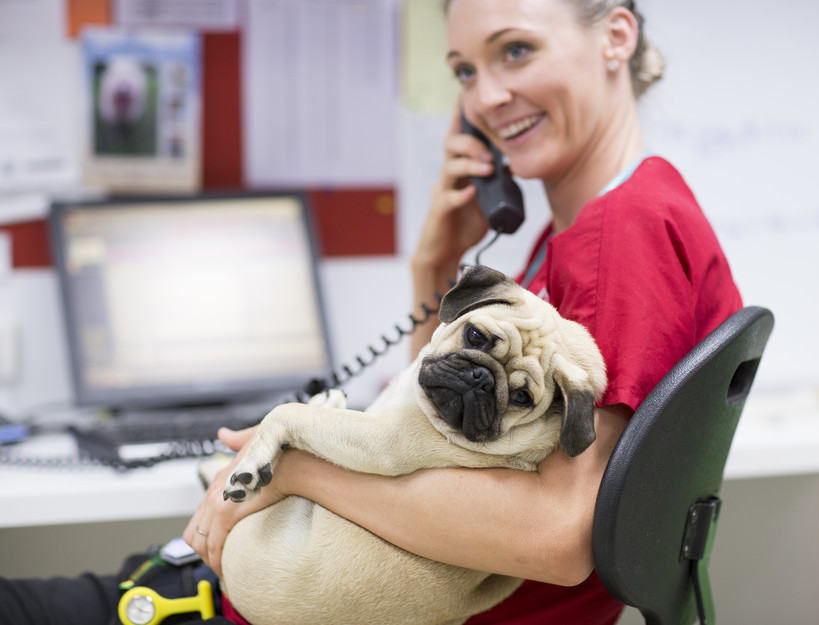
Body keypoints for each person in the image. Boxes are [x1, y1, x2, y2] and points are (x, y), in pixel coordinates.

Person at [0, 1, 741, 624]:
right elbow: (435, 431)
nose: (484, 99)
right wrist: (432, 269)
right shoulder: (579, 233)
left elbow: (561, 530)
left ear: (617, 36)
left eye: (515, 52)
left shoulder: (623, 233)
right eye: (464, 72)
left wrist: (297, 464)